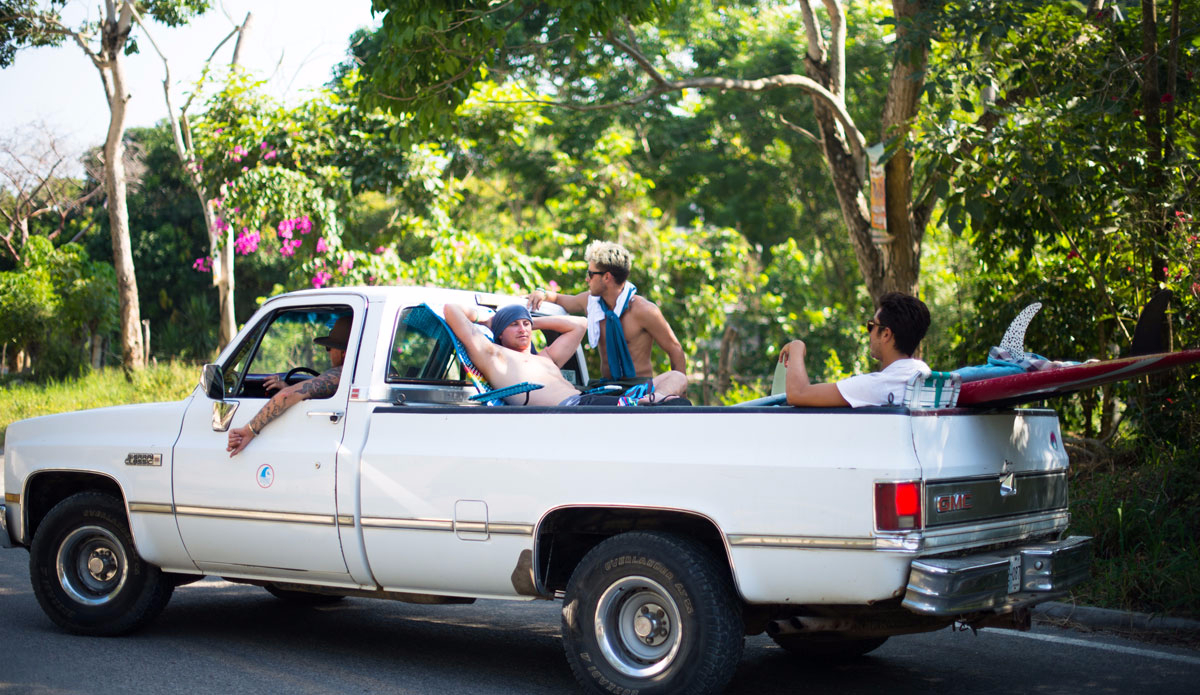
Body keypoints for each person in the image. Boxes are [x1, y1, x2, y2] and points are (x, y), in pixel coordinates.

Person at [526, 240, 689, 403]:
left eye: (590, 274)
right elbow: (560, 299)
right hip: (606, 389)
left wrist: (681, 397)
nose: (587, 279)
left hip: (638, 389)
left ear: (607, 277)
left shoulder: (644, 310)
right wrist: (542, 293)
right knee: (555, 384)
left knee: (678, 377)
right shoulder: (591, 303)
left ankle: (651, 401)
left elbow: (675, 349)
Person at [227, 315, 351, 457]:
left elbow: (286, 395)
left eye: (329, 347)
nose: (328, 352)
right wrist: (286, 386)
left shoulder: (339, 375)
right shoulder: (354, 375)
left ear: (344, 353)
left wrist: (248, 431)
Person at [780, 292, 931, 408]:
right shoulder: (924, 374)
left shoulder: (878, 386)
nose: (869, 332)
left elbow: (797, 394)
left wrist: (796, 347)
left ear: (886, 334)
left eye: (872, 326)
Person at [444, 303, 588, 406]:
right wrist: (487, 320)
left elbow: (580, 324)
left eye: (525, 324)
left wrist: (530, 321)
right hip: (570, 410)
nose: (522, 329)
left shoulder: (546, 357)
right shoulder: (494, 356)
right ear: (500, 333)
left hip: (587, 402)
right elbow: (451, 309)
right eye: (514, 324)